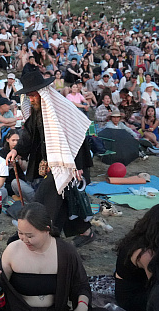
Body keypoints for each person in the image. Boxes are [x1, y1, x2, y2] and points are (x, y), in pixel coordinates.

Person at [0, 203, 112, 311]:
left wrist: (82, 307)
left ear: (46, 230)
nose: (24, 239)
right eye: (20, 233)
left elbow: (80, 285)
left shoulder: (66, 252)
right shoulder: (13, 250)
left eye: (30, 236)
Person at [6, 70, 95, 246]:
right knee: (65, 199)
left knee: (45, 196)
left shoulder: (62, 109)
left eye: (33, 95)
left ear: (42, 92)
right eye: (29, 96)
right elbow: (29, 134)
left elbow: (78, 137)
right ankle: (84, 231)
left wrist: (78, 166)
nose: (31, 99)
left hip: (70, 162)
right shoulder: (37, 110)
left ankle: (37, 232)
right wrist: (16, 150)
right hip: (53, 163)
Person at [113, 204, 159, 311]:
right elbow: (158, 285)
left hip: (141, 284)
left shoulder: (145, 236)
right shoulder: (146, 254)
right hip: (133, 296)